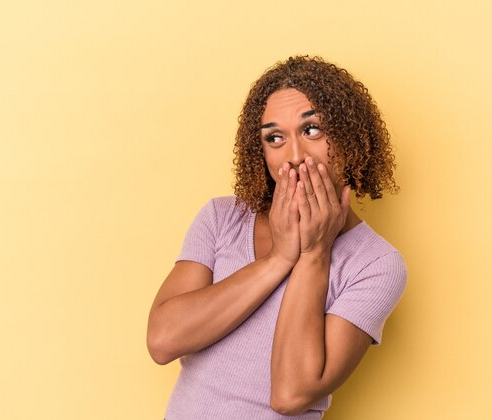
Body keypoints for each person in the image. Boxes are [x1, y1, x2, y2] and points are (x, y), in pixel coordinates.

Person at [147, 56, 407, 419]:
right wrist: (278, 259)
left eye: (312, 129)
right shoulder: (223, 218)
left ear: (348, 137)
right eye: (275, 137)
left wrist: (314, 253)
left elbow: (291, 394)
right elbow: (162, 342)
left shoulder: (376, 264)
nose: (295, 156)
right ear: (261, 153)